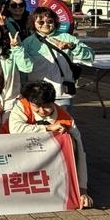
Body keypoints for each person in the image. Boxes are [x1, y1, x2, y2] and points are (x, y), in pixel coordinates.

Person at [9, 81, 92, 209]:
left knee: (72, 141)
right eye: (36, 106)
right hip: (16, 153)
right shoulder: (22, 106)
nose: (41, 111)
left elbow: (80, 154)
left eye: (46, 106)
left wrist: (82, 190)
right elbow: (15, 129)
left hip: (46, 159)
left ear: (53, 102)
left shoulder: (66, 119)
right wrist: (48, 128)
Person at [22, 7, 94, 109]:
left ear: (55, 22)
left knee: (63, 119)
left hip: (62, 93)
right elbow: (23, 69)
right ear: (33, 23)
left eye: (49, 21)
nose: (45, 24)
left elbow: (90, 56)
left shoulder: (67, 38)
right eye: (40, 22)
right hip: (38, 95)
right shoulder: (28, 43)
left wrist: (72, 47)